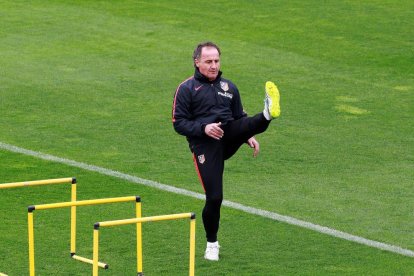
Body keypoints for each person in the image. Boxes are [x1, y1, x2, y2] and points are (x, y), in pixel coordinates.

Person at [172, 41, 280, 261]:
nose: (213, 65)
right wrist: (204, 128)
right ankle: (212, 243)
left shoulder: (229, 87)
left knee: (249, 123)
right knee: (215, 198)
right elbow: (178, 122)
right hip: (205, 145)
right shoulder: (186, 89)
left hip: (228, 135)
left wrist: (247, 136)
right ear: (197, 62)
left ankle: (268, 113)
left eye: (216, 61)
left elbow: (238, 118)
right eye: (208, 61)